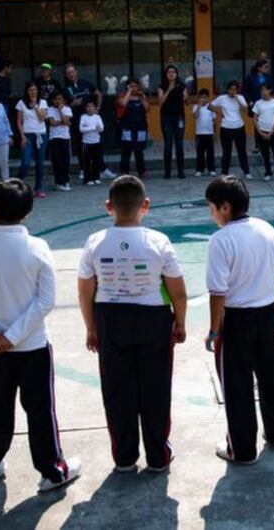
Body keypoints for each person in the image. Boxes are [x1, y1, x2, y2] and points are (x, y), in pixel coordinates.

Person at [0, 178, 81, 491]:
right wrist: (13, 335)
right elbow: (45, 301)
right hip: (32, 345)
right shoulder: (37, 248)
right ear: (27, 212)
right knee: (40, 409)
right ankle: (51, 469)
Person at [79, 176, 188, 472]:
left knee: (117, 390)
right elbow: (178, 291)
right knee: (156, 388)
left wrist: (91, 328)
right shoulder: (158, 241)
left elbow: (85, 291)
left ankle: (125, 457)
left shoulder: (95, 242)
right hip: (154, 320)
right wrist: (180, 322)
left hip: (110, 319)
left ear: (109, 206)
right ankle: (157, 455)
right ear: (145, 205)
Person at [203, 176, 274, 464]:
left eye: (212, 208)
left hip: (237, 319)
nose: (211, 214)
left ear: (225, 207)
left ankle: (241, 449)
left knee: (237, 384)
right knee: (272, 375)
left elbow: (218, 292)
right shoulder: (266, 229)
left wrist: (214, 330)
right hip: (266, 313)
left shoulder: (220, 240)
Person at [211, 81, 252, 179]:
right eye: (231, 89)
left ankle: (246, 171)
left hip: (239, 126)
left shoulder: (240, 97)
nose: (232, 91)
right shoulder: (222, 98)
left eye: (234, 89)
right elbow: (210, 106)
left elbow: (246, 110)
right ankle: (224, 172)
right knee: (226, 151)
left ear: (237, 90)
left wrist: (237, 99)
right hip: (226, 127)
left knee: (241, 150)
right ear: (227, 89)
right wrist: (220, 113)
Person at [16, 82, 48, 198]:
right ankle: (17, 184)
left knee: (40, 162)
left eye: (35, 90)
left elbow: (42, 118)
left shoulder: (43, 102)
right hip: (27, 134)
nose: (33, 92)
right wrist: (22, 136)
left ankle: (38, 188)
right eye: (31, 90)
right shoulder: (21, 103)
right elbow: (19, 121)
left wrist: (35, 107)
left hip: (41, 134)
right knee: (26, 162)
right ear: (27, 91)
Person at [158, 65, 188, 179]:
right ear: (166, 74)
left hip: (179, 117)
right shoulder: (162, 86)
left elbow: (186, 100)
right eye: (169, 72)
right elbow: (160, 102)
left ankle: (181, 171)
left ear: (176, 74)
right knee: (168, 144)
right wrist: (169, 90)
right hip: (166, 117)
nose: (171, 74)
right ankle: (167, 172)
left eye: (173, 72)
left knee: (179, 144)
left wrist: (186, 98)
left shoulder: (181, 85)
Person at [116, 79, 150, 177]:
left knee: (139, 150)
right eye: (131, 86)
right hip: (127, 128)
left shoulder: (141, 97)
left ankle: (142, 171)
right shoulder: (122, 96)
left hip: (140, 128)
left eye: (135, 86)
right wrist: (129, 92)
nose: (134, 88)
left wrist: (143, 98)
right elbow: (123, 103)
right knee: (126, 150)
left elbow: (147, 109)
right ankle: (124, 171)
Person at [47, 92, 73, 192]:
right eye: (56, 99)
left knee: (66, 160)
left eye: (60, 99)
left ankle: (66, 180)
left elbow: (66, 121)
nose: (58, 101)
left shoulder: (67, 109)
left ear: (63, 100)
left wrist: (60, 111)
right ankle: (58, 182)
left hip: (65, 137)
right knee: (57, 161)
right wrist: (64, 122)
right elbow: (52, 123)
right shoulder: (49, 109)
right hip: (54, 137)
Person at [79, 100, 105, 185]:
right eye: (88, 106)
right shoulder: (83, 117)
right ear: (85, 108)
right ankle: (87, 179)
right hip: (86, 142)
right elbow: (81, 129)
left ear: (94, 108)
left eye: (92, 106)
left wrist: (92, 128)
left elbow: (101, 128)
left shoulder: (97, 117)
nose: (90, 108)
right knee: (87, 161)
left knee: (96, 161)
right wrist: (94, 128)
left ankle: (96, 177)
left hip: (96, 142)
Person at [193, 89, 217, 178]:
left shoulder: (211, 108)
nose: (204, 99)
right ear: (199, 98)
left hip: (209, 133)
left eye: (205, 97)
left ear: (208, 98)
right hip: (199, 133)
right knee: (200, 153)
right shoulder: (195, 107)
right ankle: (199, 169)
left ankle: (211, 169)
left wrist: (215, 133)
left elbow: (214, 122)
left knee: (210, 152)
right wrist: (199, 105)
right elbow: (195, 116)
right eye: (202, 97)